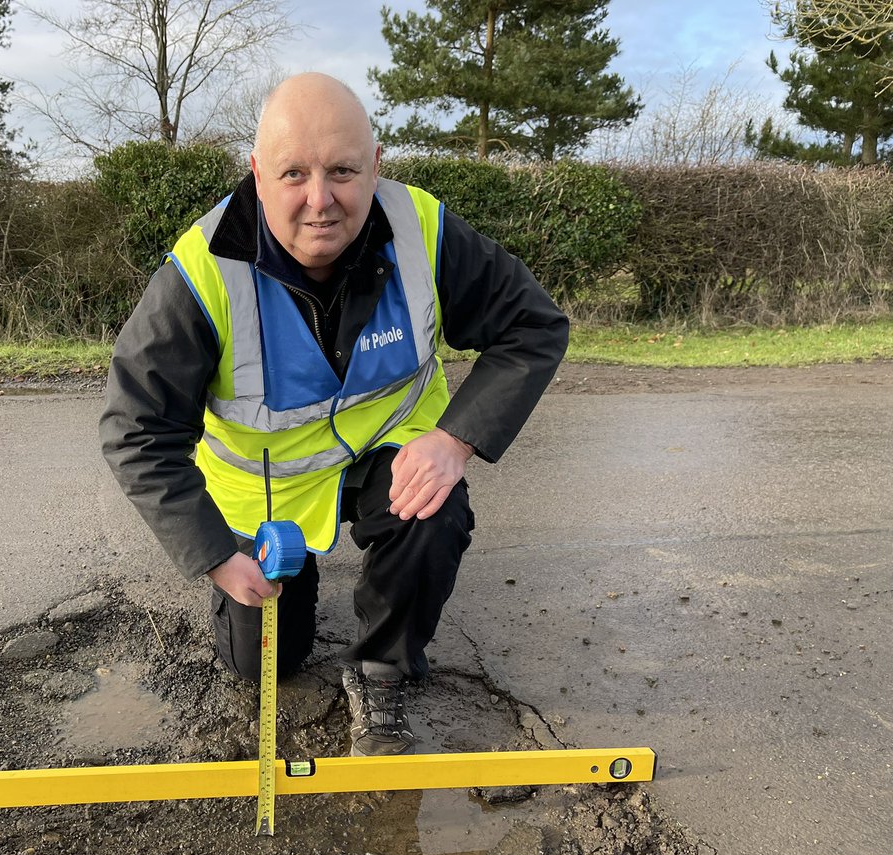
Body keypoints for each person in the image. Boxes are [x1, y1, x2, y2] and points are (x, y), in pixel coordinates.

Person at [100, 73, 568, 757]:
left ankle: (383, 668)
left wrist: (455, 440)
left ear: (376, 166)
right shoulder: (202, 271)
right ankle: (284, 587)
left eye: (343, 171)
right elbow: (135, 428)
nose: (320, 200)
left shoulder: (421, 229)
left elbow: (532, 326)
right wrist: (217, 557)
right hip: (267, 497)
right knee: (263, 664)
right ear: (258, 174)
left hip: (389, 459)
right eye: (294, 174)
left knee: (434, 513)